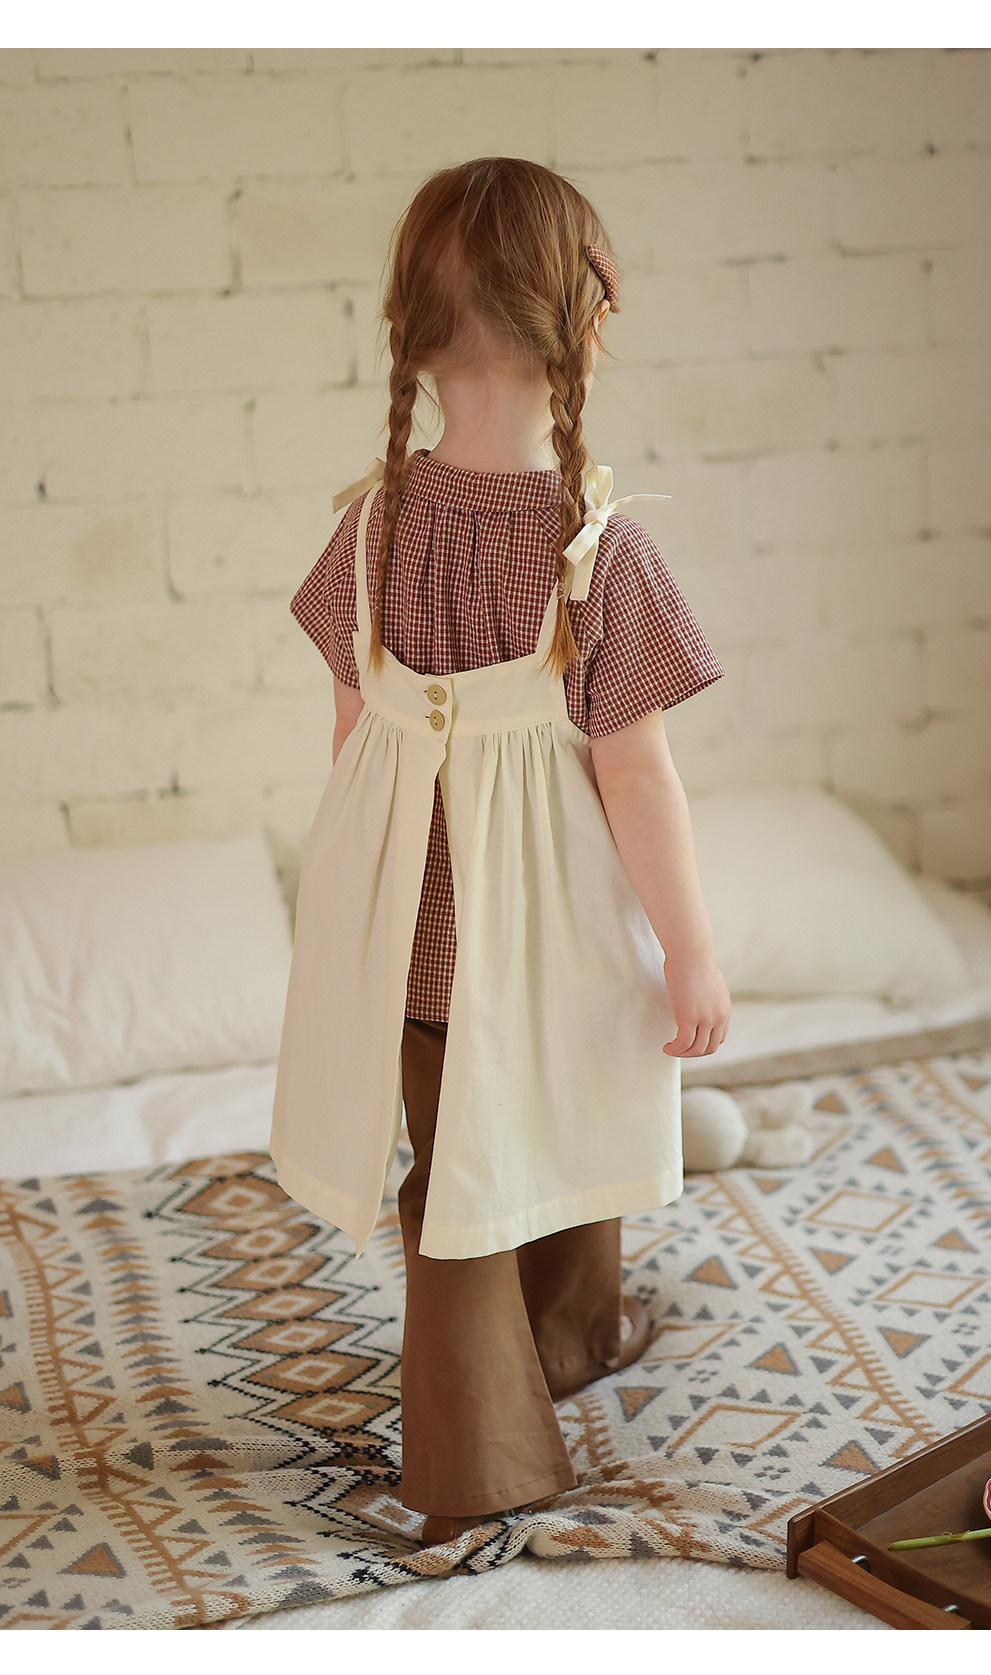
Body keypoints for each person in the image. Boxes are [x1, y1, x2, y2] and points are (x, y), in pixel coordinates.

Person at [271, 157, 731, 1550]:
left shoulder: (372, 527)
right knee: (515, 1147)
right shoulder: (603, 552)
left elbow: (354, 738)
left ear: (409, 333)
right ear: (588, 320)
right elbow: (637, 776)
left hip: (417, 942)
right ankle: (475, 1459)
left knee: (472, 1140)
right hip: (554, 941)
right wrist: (690, 950)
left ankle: (572, 1335)